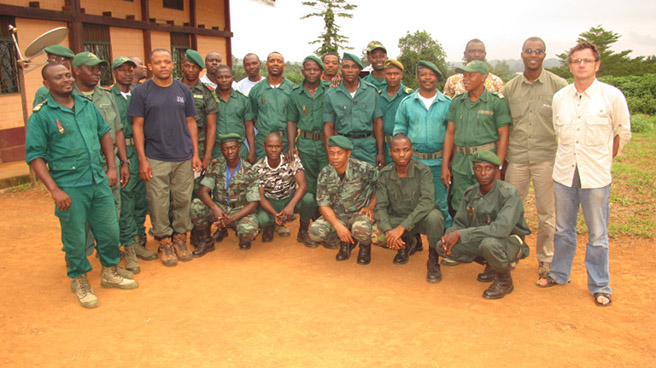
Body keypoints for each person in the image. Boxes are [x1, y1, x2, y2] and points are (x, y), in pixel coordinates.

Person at [25, 63, 138, 309]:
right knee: (75, 238)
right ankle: (80, 280)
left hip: (97, 179)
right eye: (59, 77)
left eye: (67, 75)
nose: (66, 80)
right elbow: (35, 157)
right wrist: (55, 190)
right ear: (47, 85)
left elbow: (104, 135)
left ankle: (109, 271)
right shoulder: (42, 116)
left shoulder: (87, 106)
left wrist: (111, 167)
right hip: (69, 186)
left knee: (109, 230)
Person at [537, 42, 631, 307]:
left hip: (596, 177)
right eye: (576, 61)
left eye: (586, 61)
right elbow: (559, 133)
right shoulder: (560, 98)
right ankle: (558, 273)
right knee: (563, 229)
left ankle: (600, 284)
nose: (581, 65)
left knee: (598, 234)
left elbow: (623, 132)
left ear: (596, 64)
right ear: (570, 66)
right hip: (564, 173)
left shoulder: (611, 96)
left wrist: (603, 160)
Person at [128, 48, 202, 267]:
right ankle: (164, 241)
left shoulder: (183, 90)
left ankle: (180, 239)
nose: (162, 66)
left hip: (183, 156)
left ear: (172, 65)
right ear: (150, 66)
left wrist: (195, 154)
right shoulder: (142, 92)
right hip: (155, 157)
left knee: (182, 200)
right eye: (157, 62)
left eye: (166, 62)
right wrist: (142, 159)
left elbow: (191, 122)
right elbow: (137, 126)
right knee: (158, 202)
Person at [503, 37, 568, 280]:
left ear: (544, 55)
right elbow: (505, 126)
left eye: (538, 51)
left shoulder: (559, 86)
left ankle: (546, 260)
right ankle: (511, 253)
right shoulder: (511, 88)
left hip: (546, 158)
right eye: (529, 51)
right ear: (522, 54)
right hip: (517, 157)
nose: (533, 54)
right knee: (511, 210)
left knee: (546, 213)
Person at [439, 151, 530, 299]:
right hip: (483, 240)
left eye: (488, 168)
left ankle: (505, 280)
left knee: (489, 244)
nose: (483, 173)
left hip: (510, 240)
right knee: (443, 246)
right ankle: (491, 264)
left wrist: (461, 234)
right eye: (478, 168)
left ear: (496, 170)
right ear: (473, 170)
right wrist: (450, 235)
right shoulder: (470, 193)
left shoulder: (509, 194)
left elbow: (500, 229)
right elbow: (460, 223)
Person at [72, 52, 131, 267]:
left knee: (112, 207)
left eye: (99, 68)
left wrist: (123, 162)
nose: (97, 72)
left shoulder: (106, 97)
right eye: (91, 68)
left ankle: (107, 251)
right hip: (79, 167)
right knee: (81, 213)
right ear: (77, 71)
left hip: (109, 164)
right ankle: (82, 253)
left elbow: (117, 131)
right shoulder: (68, 96)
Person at [441, 60, 511, 218]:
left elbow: (503, 135)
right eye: (464, 75)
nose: (465, 79)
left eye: (471, 75)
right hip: (461, 163)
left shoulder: (496, 102)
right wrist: (445, 165)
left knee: (488, 204)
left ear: (483, 77)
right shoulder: (457, 102)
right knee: (461, 204)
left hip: (486, 162)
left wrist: (498, 167)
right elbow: (450, 134)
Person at [110, 56, 158, 273]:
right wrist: (122, 161)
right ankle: (128, 246)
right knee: (126, 201)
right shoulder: (108, 97)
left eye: (130, 69)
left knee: (142, 198)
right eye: (122, 69)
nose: (127, 73)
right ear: (114, 73)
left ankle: (138, 240)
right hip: (122, 153)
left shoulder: (141, 93)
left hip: (144, 151)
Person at [371, 134, 445, 270]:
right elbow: (380, 206)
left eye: (406, 150)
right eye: (396, 150)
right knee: (373, 234)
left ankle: (433, 259)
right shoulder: (385, 174)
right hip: (398, 218)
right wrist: (388, 231)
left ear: (412, 150)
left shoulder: (423, 171)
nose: (401, 155)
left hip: (420, 219)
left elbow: (428, 202)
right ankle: (407, 242)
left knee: (435, 217)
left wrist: (402, 227)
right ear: (390, 152)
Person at [394, 60, 452, 228]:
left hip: (438, 162)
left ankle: (442, 244)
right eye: (423, 74)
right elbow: (400, 129)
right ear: (417, 78)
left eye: (432, 75)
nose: (427, 78)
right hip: (414, 162)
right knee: (411, 202)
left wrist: (447, 164)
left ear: (437, 78)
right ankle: (412, 241)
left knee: (441, 203)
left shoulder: (447, 103)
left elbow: (452, 134)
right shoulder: (407, 103)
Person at [309, 136, 377, 264]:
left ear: (348, 153)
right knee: (315, 232)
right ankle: (345, 242)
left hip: (360, 214)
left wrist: (371, 207)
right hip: (338, 215)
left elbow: (381, 185)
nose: (335, 157)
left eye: (339, 153)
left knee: (361, 230)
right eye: (332, 153)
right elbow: (323, 205)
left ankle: (364, 246)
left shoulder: (363, 169)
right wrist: (337, 226)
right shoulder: (325, 174)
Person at [191, 133, 260, 254]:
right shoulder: (216, 165)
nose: (230, 152)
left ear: (239, 148)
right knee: (196, 205)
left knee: (247, 231)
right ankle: (206, 241)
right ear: (221, 150)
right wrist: (215, 208)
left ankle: (240, 237)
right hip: (220, 208)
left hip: (240, 210)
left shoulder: (249, 170)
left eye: (233, 148)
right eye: (225, 149)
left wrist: (231, 219)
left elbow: (253, 204)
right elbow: (203, 191)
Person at [323, 52, 384, 168]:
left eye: (354, 67)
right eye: (346, 67)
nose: (350, 70)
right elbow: (328, 126)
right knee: (343, 183)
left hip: (366, 146)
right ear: (341, 69)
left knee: (369, 182)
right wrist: (330, 154)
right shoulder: (331, 94)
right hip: (341, 145)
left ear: (360, 70)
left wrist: (380, 152)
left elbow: (377, 122)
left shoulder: (371, 91)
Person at [254, 133, 316, 245]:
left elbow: (303, 186)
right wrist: (274, 214)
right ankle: (270, 225)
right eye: (270, 146)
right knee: (261, 220)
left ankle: (303, 232)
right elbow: (261, 196)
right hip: (271, 202)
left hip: (289, 198)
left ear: (282, 147)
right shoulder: (258, 167)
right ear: (264, 147)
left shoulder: (291, 160)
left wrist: (290, 206)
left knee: (309, 199)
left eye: (277, 146)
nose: (274, 150)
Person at [286, 55, 329, 206]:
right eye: (308, 69)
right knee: (309, 184)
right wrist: (291, 146)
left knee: (327, 180)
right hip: (305, 144)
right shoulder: (295, 93)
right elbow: (291, 121)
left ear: (321, 71)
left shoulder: (330, 89)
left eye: (315, 69)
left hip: (326, 143)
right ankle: (311, 217)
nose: (312, 72)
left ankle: (325, 217)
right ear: (303, 72)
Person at [249, 52, 295, 161]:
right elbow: (253, 116)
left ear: (284, 66)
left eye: (279, 61)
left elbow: (295, 118)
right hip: (263, 142)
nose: (275, 64)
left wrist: (292, 145)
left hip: (285, 142)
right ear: (266, 65)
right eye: (272, 61)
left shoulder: (292, 89)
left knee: (286, 175)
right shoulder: (257, 89)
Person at [180, 49, 218, 172]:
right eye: (187, 66)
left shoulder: (207, 92)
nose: (190, 70)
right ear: (182, 67)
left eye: (194, 67)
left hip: (199, 146)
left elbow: (212, 126)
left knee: (197, 187)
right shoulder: (173, 88)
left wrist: (207, 155)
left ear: (200, 70)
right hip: (175, 145)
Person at [212, 65, 256, 164]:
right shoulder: (210, 99)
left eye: (227, 77)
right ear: (215, 80)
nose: (224, 80)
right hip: (217, 150)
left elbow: (249, 126)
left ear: (232, 78)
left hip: (239, 150)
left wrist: (252, 151)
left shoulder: (243, 100)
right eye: (220, 77)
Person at [379, 59, 412, 165]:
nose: (392, 77)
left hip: (402, 148)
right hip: (382, 146)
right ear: (384, 75)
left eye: (396, 74)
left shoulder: (409, 96)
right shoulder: (378, 95)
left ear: (401, 75)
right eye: (389, 74)